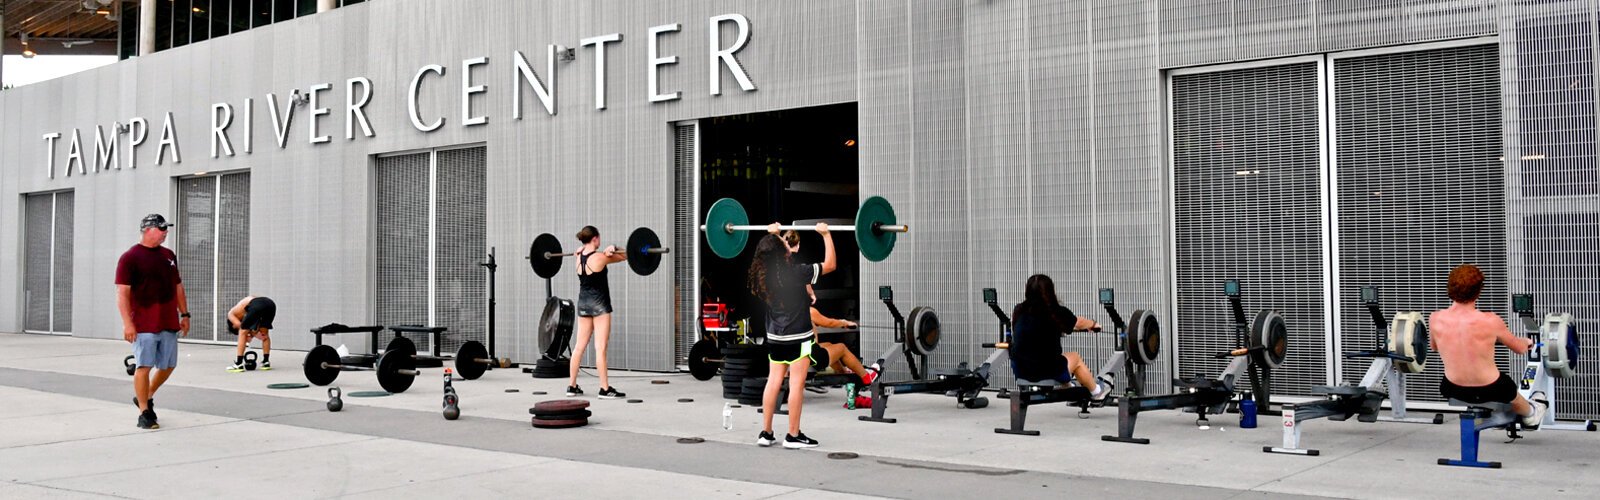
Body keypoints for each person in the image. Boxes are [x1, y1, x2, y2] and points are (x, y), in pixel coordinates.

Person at [750, 222, 835, 448]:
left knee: (773, 381)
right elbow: (831, 265)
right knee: (796, 385)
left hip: (776, 337)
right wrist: (826, 235)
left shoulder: (762, 275)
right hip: (799, 337)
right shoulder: (798, 272)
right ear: (783, 252)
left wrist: (774, 236)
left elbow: (769, 251)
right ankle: (793, 435)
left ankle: (766, 433)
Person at [1431, 264, 1547, 428]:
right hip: (1491, 388)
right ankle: (1531, 414)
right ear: (1478, 292)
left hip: (1451, 388)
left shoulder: (1436, 318)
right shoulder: (1490, 320)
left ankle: (1496, 416)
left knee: (1484, 391)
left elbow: (1435, 347)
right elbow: (1519, 348)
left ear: (1450, 289)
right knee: (1508, 388)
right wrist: (1527, 342)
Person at [116, 214, 189, 430]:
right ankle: (145, 413)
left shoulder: (168, 255)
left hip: (168, 320)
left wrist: (184, 314)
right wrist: (127, 324)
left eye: (166, 228)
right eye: (161, 228)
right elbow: (122, 294)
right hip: (144, 323)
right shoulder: (130, 257)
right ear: (148, 230)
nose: (166, 232)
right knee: (144, 366)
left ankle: (146, 395)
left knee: (168, 365)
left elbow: (178, 286)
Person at [1009, 274, 1112, 400]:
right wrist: (1094, 324)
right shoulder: (1056, 311)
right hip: (1047, 370)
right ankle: (1097, 392)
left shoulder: (1018, 310)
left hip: (1021, 370)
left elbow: (1033, 327)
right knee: (1075, 358)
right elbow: (1078, 322)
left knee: (1048, 358)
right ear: (1050, 291)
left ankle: (1068, 385)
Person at [567, 226, 628, 399]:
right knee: (600, 348)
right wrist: (613, 248)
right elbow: (626, 256)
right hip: (600, 306)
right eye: (599, 238)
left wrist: (586, 250)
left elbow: (582, 253)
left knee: (579, 347)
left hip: (583, 304)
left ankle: (571, 386)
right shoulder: (600, 258)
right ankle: (604, 389)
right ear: (595, 238)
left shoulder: (578, 257)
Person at [224, 296, 277, 372]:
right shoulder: (246, 310)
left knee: (242, 332)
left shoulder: (231, 314)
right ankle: (266, 362)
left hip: (257, 303)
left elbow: (240, 327)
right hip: (270, 304)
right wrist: (254, 334)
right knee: (264, 334)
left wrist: (250, 335)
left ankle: (238, 364)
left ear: (232, 325)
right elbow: (255, 328)